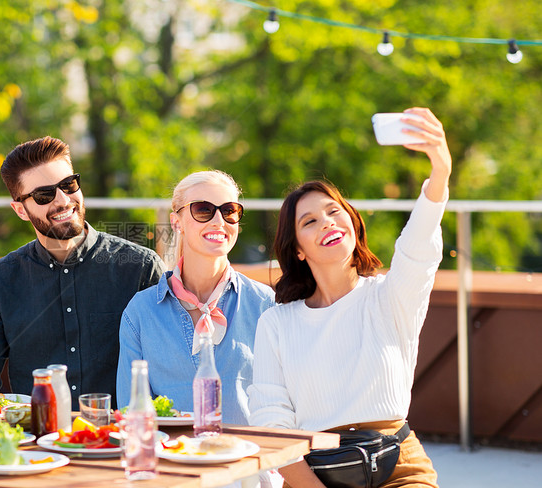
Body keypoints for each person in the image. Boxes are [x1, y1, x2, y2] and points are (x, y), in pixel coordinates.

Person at [247, 108, 449, 487]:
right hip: (313, 471)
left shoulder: (390, 297)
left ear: (353, 224)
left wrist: (439, 171)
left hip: (398, 464)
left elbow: (417, 246)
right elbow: (271, 422)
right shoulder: (277, 322)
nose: (326, 222)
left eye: (333, 211)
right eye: (309, 221)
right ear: (299, 251)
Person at [0, 136, 165, 410]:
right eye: (44, 195)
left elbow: (167, 363)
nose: (62, 200)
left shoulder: (140, 267)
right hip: (36, 443)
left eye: (68, 185)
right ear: (20, 210)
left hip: (119, 439)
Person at [116, 170, 274, 424]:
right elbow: (131, 412)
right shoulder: (140, 313)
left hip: (249, 459)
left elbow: (283, 404)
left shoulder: (264, 303)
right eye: (203, 210)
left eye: (229, 211)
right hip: (171, 459)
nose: (218, 221)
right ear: (176, 222)